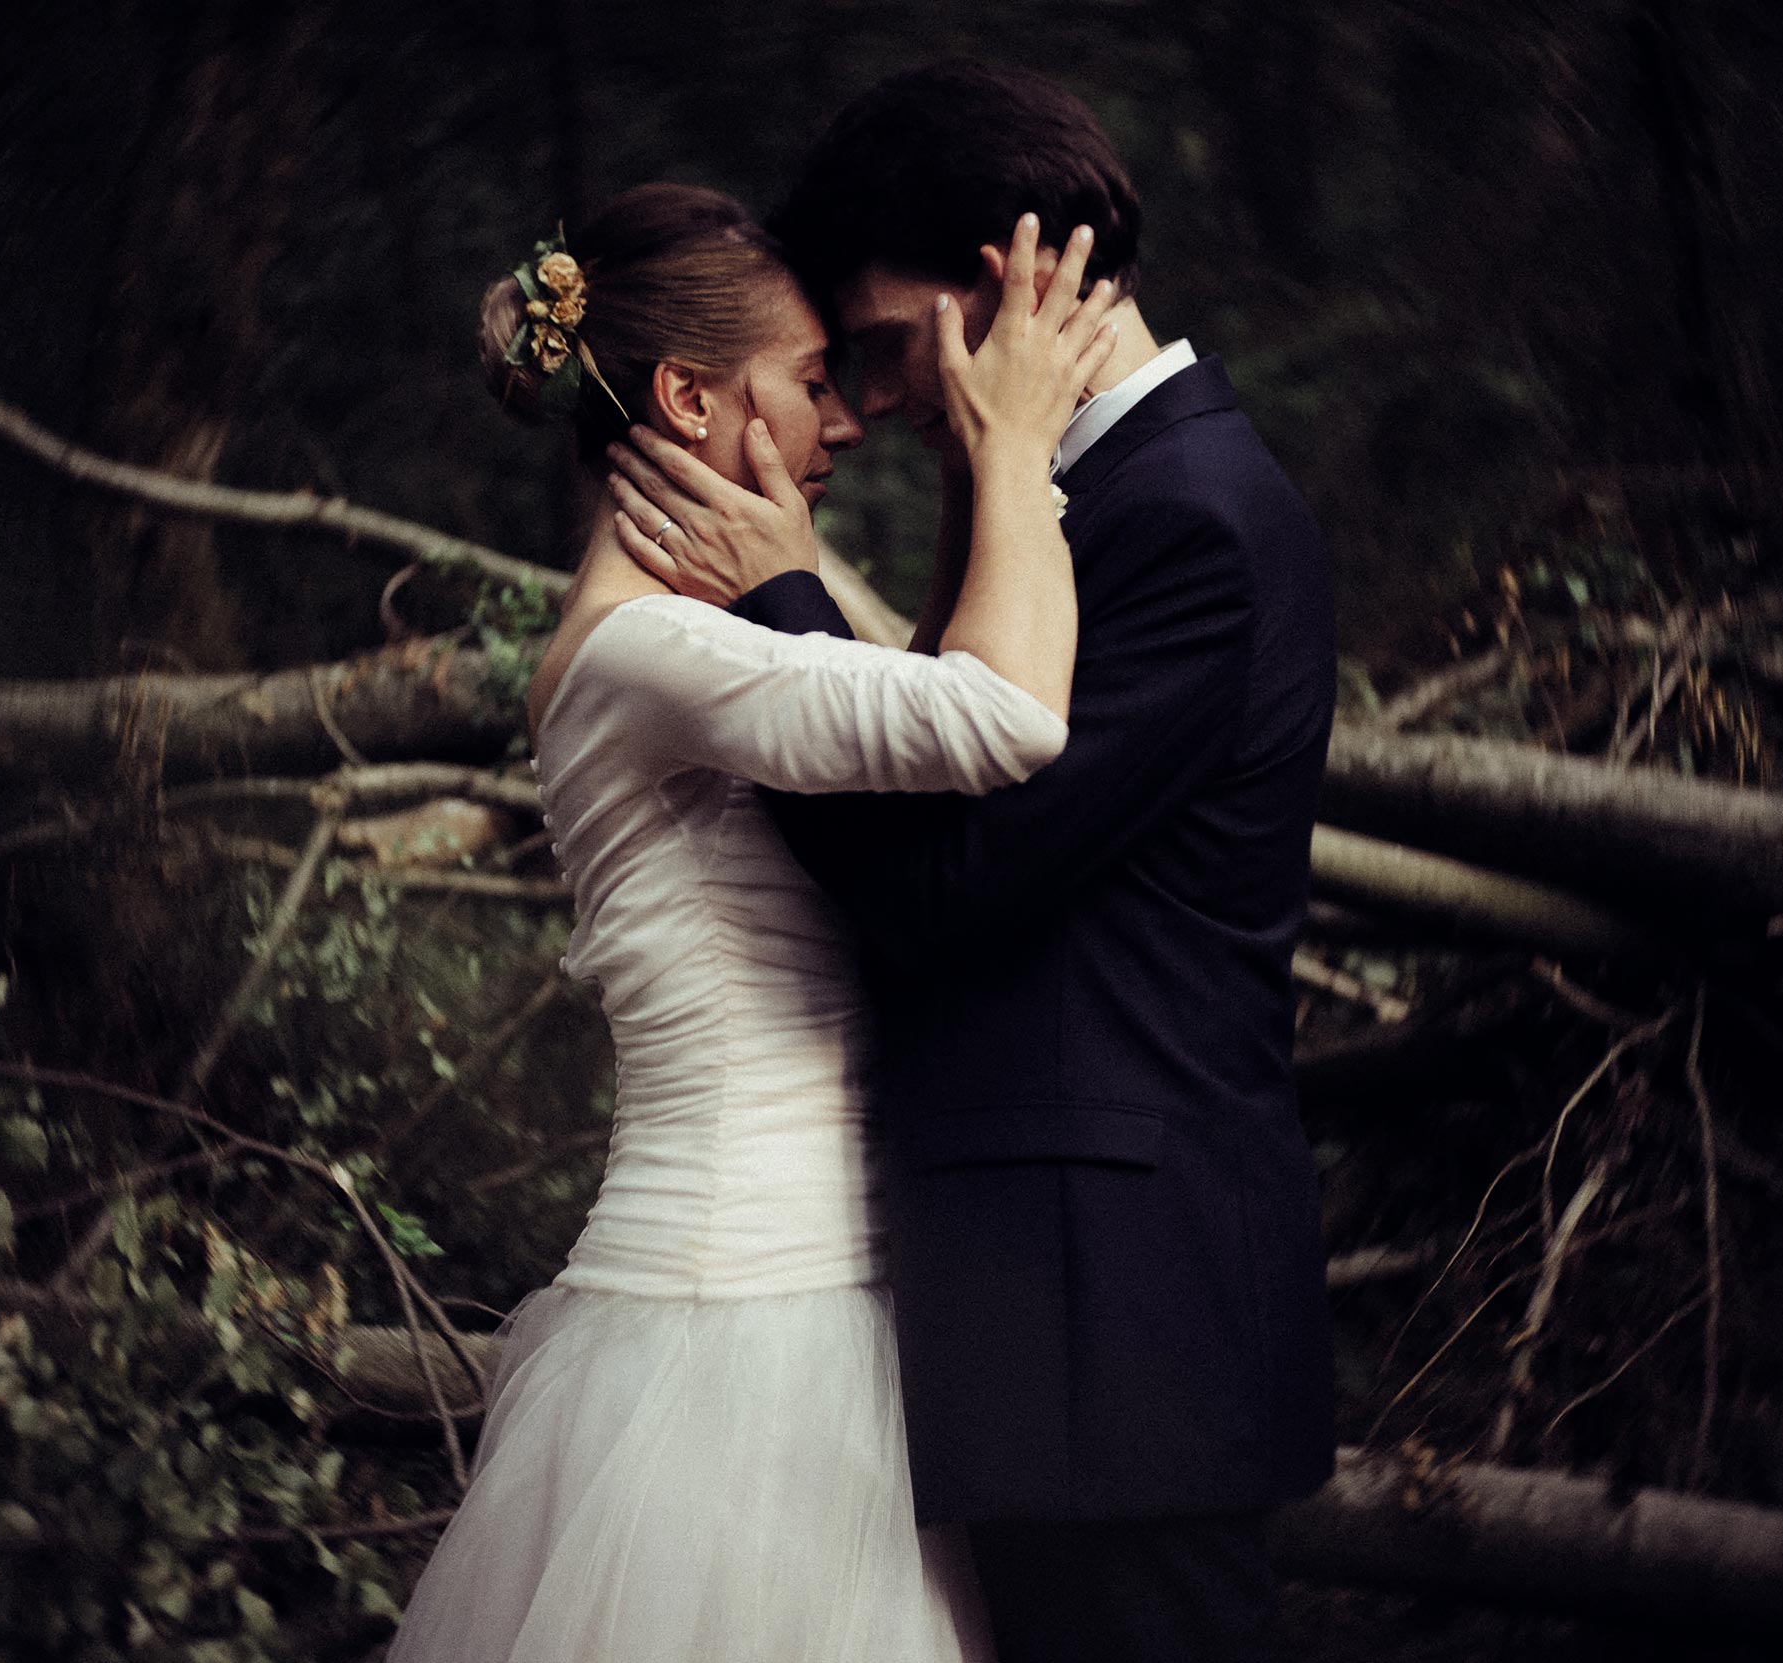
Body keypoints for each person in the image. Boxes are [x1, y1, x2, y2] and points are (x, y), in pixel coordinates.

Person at [607, 61, 1339, 1663]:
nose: (858, 409)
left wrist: (788, 607)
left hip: (1117, 1337)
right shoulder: (1081, 509)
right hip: (1062, 1338)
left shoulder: (1184, 520)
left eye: (874, 347)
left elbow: (947, 882)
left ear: (1003, 280)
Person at [385, 183, 1118, 1662]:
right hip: (747, 1332)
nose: (841, 422)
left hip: (782, 1300)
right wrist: (1018, 445)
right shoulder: (653, 654)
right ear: (686, 398)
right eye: (804, 383)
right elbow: (1003, 715)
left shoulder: (671, 645)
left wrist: (793, 574)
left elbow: (894, 724)